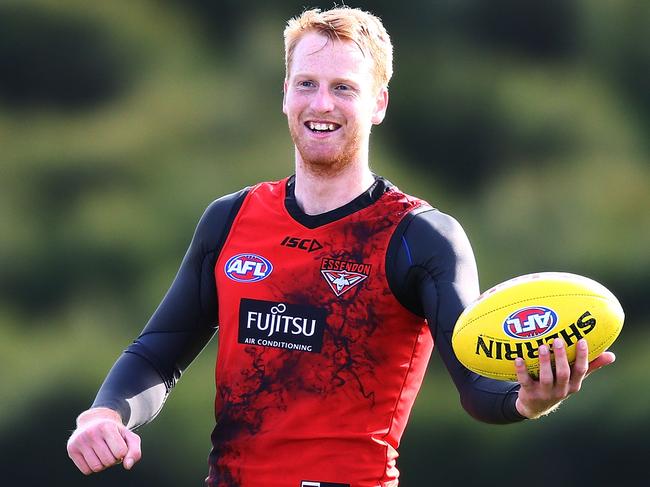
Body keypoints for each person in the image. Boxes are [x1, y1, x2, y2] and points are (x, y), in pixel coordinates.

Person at [66, 7, 615, 487]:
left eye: (343, 87)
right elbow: (157, 353)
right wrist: (105, 414)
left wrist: (526, 400)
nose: (321, 102)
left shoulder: (420, 237)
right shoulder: (230, 219)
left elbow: (475, 384)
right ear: (284, 95)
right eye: (306, 83)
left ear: (378, 103)